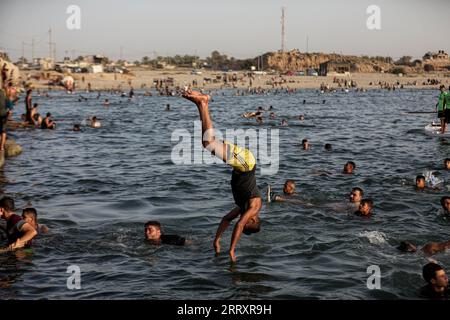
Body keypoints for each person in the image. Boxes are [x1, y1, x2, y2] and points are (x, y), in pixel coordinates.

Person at [182, 90, 262, 262]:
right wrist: (232, 250)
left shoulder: (243, 207)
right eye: (246, 220)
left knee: (208, 143)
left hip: (243, 164)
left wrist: (216, 239)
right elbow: (239, 225)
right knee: (209, 143)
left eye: (243, 219)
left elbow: (226, 219)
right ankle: (204, 102)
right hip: (246, 164)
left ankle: (200, 104)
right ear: (253, 220)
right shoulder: (254, 207)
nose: (242, 219)